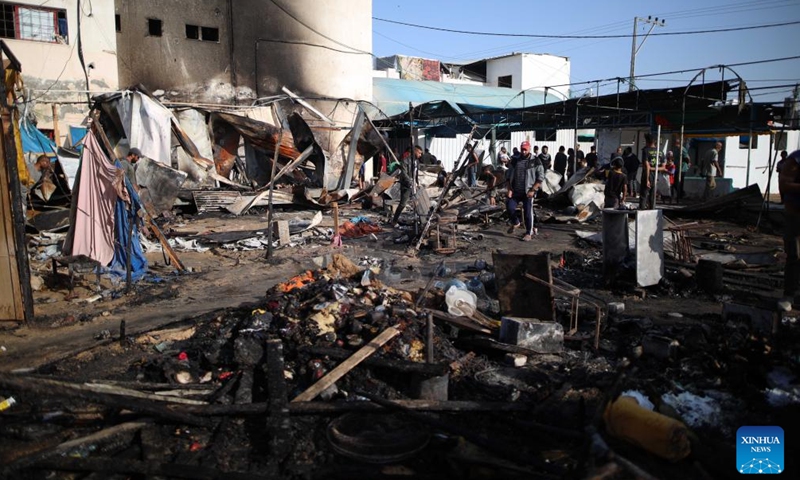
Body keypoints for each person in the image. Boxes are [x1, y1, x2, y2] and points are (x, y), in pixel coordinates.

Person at [506, 141, 544, 242]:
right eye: (522, 149)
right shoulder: (515, 160)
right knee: (509, 207)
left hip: (528, 192)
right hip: (516, 191)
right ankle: (516, 222)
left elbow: (540, 178)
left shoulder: (536, 161)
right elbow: (508, 176)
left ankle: (528, 233)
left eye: (525, 149)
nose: (523, 151)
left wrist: (533, 190)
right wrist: (509, 189)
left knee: (528, 212)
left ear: (529, 149)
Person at [778, 150, 800, 311]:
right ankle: (789, 295)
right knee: (795, 255)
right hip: (796, 215)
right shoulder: (796, 159)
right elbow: (784, 184)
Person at [391, 145, 421, 227]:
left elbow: (416, 174)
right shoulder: (405, 161)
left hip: (414, 185)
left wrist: (417, 183)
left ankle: (417, 221)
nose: (420, 155)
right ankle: (394, 221)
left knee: (417, 203)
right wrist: (410, 182)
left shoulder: (416, 162)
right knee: (403, 204)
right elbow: (404, 173)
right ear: (414, 151)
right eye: (419, 153)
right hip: (407, 185)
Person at [639, 134, 659, 210]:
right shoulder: (659, 151)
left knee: (643, 195)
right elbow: (663, 167)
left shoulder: (646, 150)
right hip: (656, 176)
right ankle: (652, 210)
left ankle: (641, 212)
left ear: (648, 141)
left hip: (647, 175)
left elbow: (647, 166)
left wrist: (647, 179)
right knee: (652, 196)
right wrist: (654, 169)